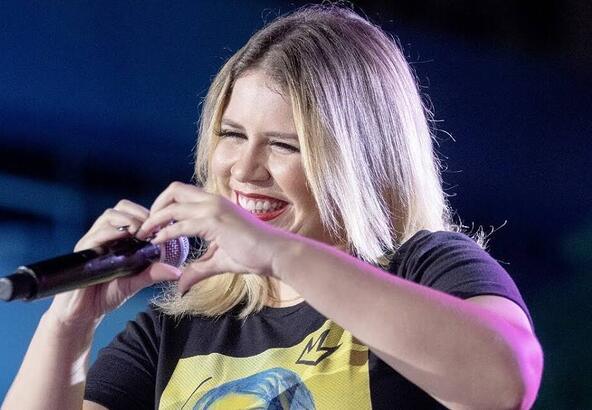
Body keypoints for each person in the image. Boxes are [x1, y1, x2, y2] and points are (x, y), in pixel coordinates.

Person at [2, 5, 543, 410]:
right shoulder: (180, 331)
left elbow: (504, 383)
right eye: (232, 134)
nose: (243, 169)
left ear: (360, 159)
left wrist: (279, 253)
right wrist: (69, 323)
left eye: (285, 145)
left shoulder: (428, 268)